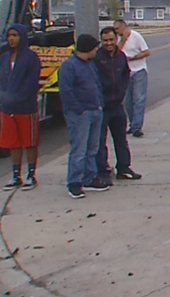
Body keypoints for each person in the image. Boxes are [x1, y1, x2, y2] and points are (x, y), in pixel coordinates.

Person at [58, 34, 110, 199]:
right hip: (80, 114)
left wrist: (99, 104)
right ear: (87, 48)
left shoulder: (90, 65)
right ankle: (74, 182)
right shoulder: (69, 66)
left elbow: (96, 84)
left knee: (92, 148)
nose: (96, 51)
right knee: (79, 149)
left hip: (95, 110)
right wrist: (79, 109)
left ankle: (90, 177)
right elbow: (66, 91)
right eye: (95, 48)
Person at [0, 24, 43, 191]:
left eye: (15, 35)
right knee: (13, 143)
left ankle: (31, 174)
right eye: (9, 36)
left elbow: (31, 83)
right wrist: (4, 97)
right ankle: (16, 175)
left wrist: (18, 98)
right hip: (8, 108)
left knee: (29, 142)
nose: (12, 39)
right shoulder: (5, 58)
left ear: (21, 37)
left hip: (26, 107)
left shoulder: (31, 58)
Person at [93, 27, 142, 185]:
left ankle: (124, 168)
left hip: (117, 106)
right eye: (105, 40)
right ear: (101, 41)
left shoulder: (121, 57)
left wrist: (121, 92)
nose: (108, 43)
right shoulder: (96, 58)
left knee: (121, 139)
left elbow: (126, 75)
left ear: (116, 39)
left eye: (111, 40)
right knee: (100, 142)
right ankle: (102, 171)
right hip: (101, 107)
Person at [113, 19, 150, 137]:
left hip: (139, 70)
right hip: (125, 72)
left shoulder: (136, 36)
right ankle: (132, 123)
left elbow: (146, 52)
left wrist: (134, 58)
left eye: (117, 29)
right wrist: (123, 40)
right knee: (128, 100)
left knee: (138, 98)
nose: (116, 31)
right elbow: (116, 53)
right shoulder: (118, 39)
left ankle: (137, 127)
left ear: (123, 27)